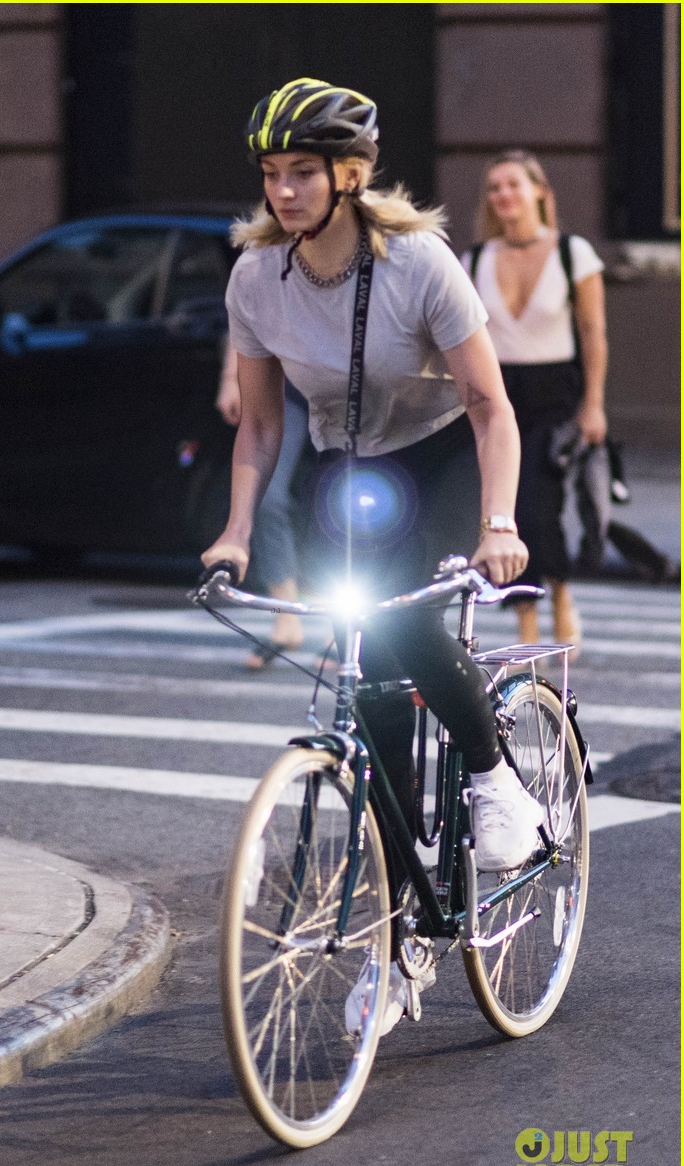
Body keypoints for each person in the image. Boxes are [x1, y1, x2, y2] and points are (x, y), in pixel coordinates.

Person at [201, 74, 545, 971]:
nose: (282, 191)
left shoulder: (418, 263)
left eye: (302, 172)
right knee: (368, 677)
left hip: (439, 457)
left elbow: (490, 405)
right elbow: (261, 425)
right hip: (345, 467)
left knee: (407, 622)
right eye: (271, 173)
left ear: (348, 175)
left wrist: (498, 522)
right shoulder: (256, 276)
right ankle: (403, 924)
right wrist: (237, 533)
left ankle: (493, 777)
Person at [461, 149, 609, 656]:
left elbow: (593, 333)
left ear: (540, 192)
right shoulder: (475, 260)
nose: (503, 195)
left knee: (540, 509)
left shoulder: (572, 252)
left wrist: (594, 403)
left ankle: (561, 596)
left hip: (556, 395)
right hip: (498, 395)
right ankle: (526, 622)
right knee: (509, 513)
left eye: (513, 185)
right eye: (494, 187)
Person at [215, 343, 311, 669]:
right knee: (268, 495)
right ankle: (285, 618)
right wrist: (231, 377)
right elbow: (241, 317)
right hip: (288, 384)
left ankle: (345, 630)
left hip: (354, 389)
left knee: (345, 500)